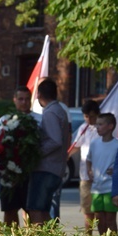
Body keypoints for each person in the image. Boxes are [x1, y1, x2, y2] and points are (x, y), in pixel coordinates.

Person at [26, 78, 70, 225]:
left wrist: (35, 153)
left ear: (38, 95)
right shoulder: (60, 110)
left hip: (46, 169)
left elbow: (55, 141)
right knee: (43, 210)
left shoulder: (50, 112)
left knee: (35, 210)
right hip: (55, 168)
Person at [0, 86, 39, 226]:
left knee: (32, 210)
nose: (24, 102)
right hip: (9, 172)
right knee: (9, 210)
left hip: (31, 172)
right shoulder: (5, 120)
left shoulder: (38, 120)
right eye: (20, 99)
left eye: (27, 99)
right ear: (14, 100)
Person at [68, 99, 100, 235]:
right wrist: (66, 156)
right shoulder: (83, 128)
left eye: (92, 116)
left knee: (99, 210)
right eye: (86, 116)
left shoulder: (102, 128)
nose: (89, 119)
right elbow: (76, 146)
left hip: (100, 176)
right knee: (87, 209)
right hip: (85, 176)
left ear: (98, 114)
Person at [86, 113, 118, 234]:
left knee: (110, 219)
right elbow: (88, 160)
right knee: (99, 218)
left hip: (110, 187)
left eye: (100, 124)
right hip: (96, 188)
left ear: (110, 126)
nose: (97, 127)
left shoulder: (117, 144)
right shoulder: (94, 143)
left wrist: (117, 171)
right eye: (97, 124)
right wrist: (89, 171)